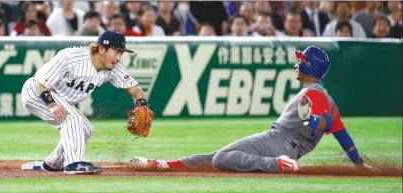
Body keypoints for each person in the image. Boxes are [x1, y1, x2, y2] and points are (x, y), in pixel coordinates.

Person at [130, 46, 376, 174]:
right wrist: (359, 163)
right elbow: (343, 135)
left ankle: (278, 165)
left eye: (301, 61)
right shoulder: (327, 99)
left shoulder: (314, 95)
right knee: (220, 154)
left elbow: (321, 121)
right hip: (284, 143)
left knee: (221, 159)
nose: (297, 63)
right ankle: (162, 165)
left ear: (309, 67)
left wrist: (312, 120)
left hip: (280, 143)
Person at [20, 31, 148, 174]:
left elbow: (135, 88)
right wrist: (53, 105)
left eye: (121, 54)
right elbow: (40, 82)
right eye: (116, 52)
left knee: (86, 130)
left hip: (60, 100)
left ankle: (51, 165)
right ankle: (74, 163)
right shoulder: (71, 56)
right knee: (71, 119)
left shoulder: (112, 68)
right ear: (101, 49)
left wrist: (141, 104)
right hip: (36, 93)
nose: (118, 58)